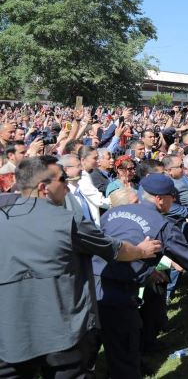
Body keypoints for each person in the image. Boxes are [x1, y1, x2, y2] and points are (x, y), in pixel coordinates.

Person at [0, 158, 162, 378]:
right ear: (43, 188)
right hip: (61, 334)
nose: (67, 186)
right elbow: (116, 249)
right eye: (63, 179)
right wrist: (142, 251)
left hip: (10, 335)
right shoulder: (67, 221)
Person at [93, 174, 188, 378]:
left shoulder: (114, 212)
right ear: (161, 199)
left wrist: (147, 271)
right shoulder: (161, 225)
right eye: (172, 197)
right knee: (124, 345)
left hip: (88, 286)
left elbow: (117, 246)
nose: (174, 201)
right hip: (117, 292)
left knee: (92, 347)